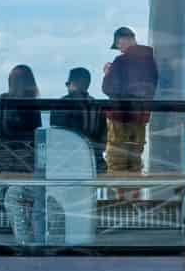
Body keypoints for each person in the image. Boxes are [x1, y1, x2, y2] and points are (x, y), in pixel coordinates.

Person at [0, 65, 44, 245]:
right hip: (25, 163)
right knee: (29, 195)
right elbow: (36, 136)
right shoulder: (33, 104)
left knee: (15, 194)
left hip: (0, 160)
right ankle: (33, 238)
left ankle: (25, 240)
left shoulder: (2, 101)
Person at [100, 26, 158, 193]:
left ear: (123, 39)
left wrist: (107, 73)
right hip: (140, 118)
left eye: (118, 44)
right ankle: (135, 199)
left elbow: (109, 89)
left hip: (120, 118)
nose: (119, 48)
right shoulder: (150, 61)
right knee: (135, 163)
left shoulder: (121, 61)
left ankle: (120, 202)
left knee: (116, 162)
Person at [50, 66, 106, 173]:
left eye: (67, 83)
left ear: (73, 83)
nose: (67, 87)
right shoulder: (97, 105)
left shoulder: (62, 104)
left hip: (68, 163)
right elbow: (102, 138)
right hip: (94, 162)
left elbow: (56, 137)